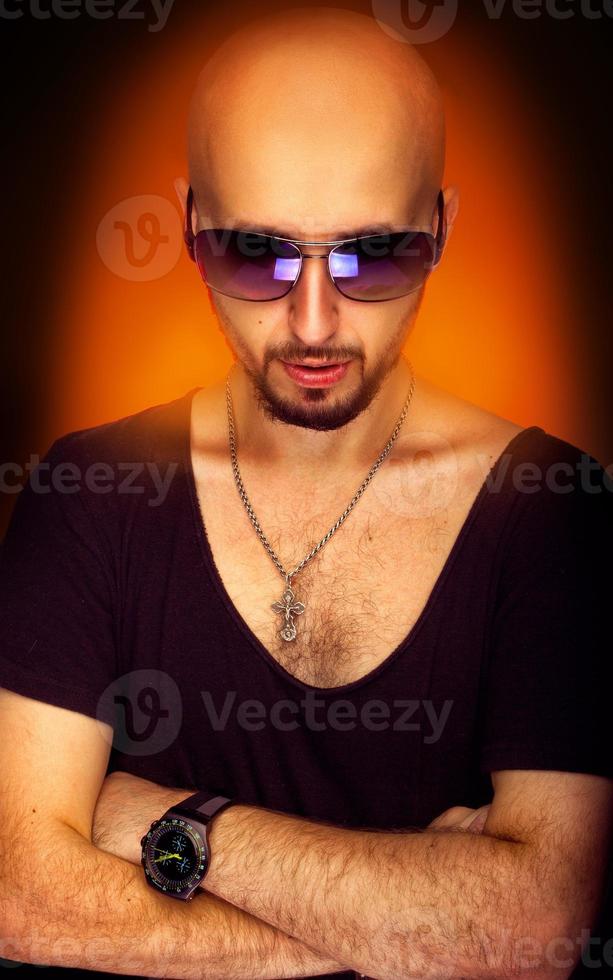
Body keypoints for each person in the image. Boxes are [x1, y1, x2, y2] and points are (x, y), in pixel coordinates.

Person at [1, 7, 611, 980]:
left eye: (374, 252)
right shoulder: (89, 493)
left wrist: (156, 817)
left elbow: (527, 929)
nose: (313, 318)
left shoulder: (555, 512)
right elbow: (20, 894)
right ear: (192, 227)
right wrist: (407, 918)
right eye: (257, 250)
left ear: (443, 228)